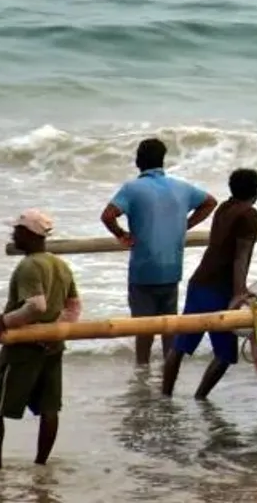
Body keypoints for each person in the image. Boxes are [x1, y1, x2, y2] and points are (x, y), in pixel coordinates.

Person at [101, 138, 217, 366]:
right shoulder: (182, 187)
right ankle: (168, 374)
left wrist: (122, 235)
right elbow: (210, 202)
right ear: (162, 161)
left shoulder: (132, 188)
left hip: (143, 270)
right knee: (169, 327)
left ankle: (142, 371)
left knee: (143, 329)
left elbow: (107, 215)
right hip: (172, 268)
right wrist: (184, 225)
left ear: (138, 162)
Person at [0, 209, 82, 470]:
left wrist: (5, 321)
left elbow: (36, 305)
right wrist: (54, 332)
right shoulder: (60, 264)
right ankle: (41, 465)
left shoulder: (28, 265)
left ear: (28, 234)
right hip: (52, 346)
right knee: (49, 407)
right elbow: (74, 306)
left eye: (16, 230)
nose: (13, 234)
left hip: (23, 348)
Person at [161, 168, 257, 399]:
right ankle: (200, 397)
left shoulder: (224, 209)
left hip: (199, 283)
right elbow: (241, 255)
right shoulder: (249, 214)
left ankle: (165, 397)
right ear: (256, 191)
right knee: (225, 354)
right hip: (219, 289)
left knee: (180, 346)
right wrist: (238, 293)